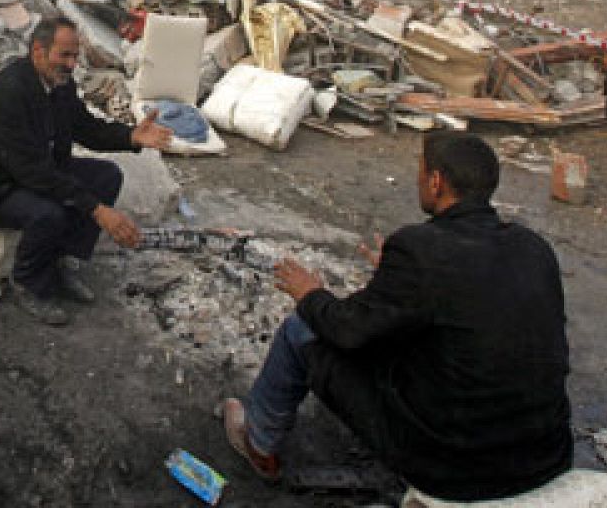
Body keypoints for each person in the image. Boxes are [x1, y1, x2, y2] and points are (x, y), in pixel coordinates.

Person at [222, 132, 572, 500]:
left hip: (455, 467)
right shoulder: (534, 248)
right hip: (544, 455)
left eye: (420, 172)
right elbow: (470, 304)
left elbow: (348, 331)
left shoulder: (419, 249)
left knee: (302, 327)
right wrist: (393, 278)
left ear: (436, 182)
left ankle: (259, 443)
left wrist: (309, 293)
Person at [0, 16, 173, 325]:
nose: (71, 64)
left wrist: (130, 136)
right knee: (48, 213)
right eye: (64, 55)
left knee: (107, 176)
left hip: (30, 172)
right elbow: (32, 172)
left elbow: (85, 127)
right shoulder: (7, 94)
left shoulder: (58, 85)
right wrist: (97, 210)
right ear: (38, 51)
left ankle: (62, 260)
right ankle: (28, 282)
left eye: (75, 56)